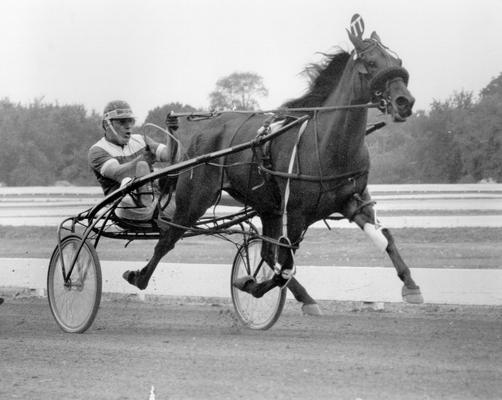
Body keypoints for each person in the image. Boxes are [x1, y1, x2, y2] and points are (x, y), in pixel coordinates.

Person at [88, 100, 176, 223]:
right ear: (107, 124)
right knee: (129, 179)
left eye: (131, 121)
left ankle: (152, 201)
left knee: (175, 174)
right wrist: (143, 160)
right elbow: (119, 173)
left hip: (156, 203)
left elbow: (170, 156)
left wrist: (171, 132)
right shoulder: (97, 151)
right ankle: (146, 201)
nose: (128, 126)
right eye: (122, 122)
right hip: (125, 207)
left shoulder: (140, 139)